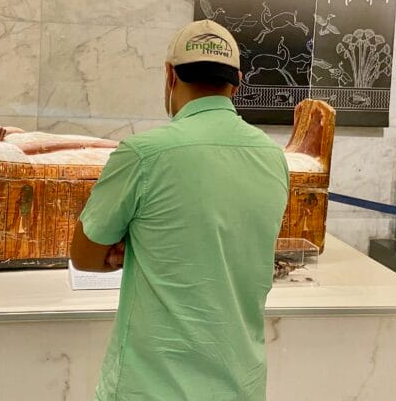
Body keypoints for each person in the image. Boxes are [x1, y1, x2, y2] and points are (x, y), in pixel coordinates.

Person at [70, 20, 290, 400]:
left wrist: (133, 245)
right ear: (236, 81)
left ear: (170, 75)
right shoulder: (274, 158)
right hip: (241, 386)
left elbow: (85, 255)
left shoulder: (142, 154)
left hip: (152, 388)